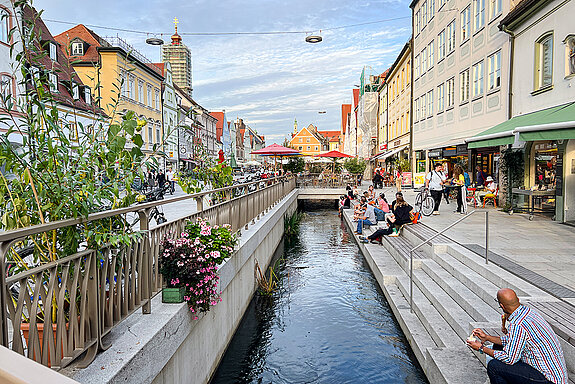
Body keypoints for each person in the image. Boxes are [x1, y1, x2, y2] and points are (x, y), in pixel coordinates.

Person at [467, 288, 567, 384]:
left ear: (502, 306)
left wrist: (481, 348)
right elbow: (512, 341)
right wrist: (487, 338)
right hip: (551, 373)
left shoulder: (518, 324)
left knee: (494, 367)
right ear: (517, 300)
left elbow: (509, 358)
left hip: (548, 379)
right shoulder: (528, 312)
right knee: (498, 348)